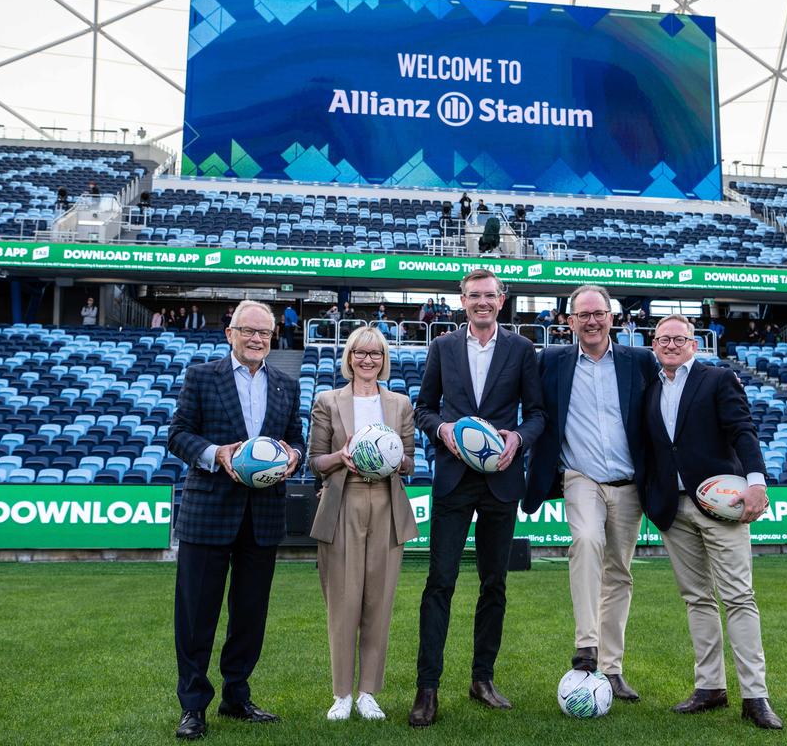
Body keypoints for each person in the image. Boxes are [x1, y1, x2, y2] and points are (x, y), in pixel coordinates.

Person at [409, 268, 546, 728]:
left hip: (501, 481)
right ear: (461, 301)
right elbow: (423, 409)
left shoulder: (523, 349)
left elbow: (539, 414)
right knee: (440, 582)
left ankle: (481, 679)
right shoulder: (443, 347)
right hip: (453, 479)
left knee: (494, 585)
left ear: (501, 300)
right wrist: (443, 429)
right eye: (474, 296)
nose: (482, 302)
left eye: (490, 296)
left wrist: (518, 440)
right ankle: (427, 688)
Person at [167, 300, 305, 740]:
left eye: (264, 333)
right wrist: (216, 454)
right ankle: (193, 705)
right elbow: (178, 434)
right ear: (230, 333)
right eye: (248, 330)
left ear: (272, 338)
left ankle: (236, 695)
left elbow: (295, 438)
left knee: (249, 616)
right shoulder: (202, 376)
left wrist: (294, 457)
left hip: (262, 516)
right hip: (209, 512)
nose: (256, 339)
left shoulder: (285, 383)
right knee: (196, 616)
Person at [642, 314, 782, 730]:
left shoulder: (717, 379)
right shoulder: (650, 387)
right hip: (674, 509)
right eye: (662, 338)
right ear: (653, 344)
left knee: (739, 597)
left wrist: (756, 482)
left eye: (678, 338)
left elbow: (743, 430)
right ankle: (710, 688)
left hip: (721, 505)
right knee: (696, 599)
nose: (670, 344)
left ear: (694, 344)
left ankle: (755, 696)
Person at [525, 285, 659, 703]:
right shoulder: (550, 361)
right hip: (579, 476)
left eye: (598, 313)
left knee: (619, 572)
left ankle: (612, 670)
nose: (592, 321)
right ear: (569, 322)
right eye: (582, 315)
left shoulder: (640, 361)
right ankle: (587, 646)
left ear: (612, 317)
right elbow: (532, 410)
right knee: (584, 541)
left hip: (629, 483)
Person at [308, 326, 419, 721]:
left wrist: (391, 457)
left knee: (379, 602)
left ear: (383, 358)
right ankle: (341, 693)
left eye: (375, 353)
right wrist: (343, 454)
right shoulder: (327, 401)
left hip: (387, 502)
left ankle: (368, 691)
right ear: (349, 357)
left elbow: (409, 460)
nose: (367, 359)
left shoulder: (401, 403)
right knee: (343, 601)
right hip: (344, 501)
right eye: (360, 353)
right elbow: (315, 461)